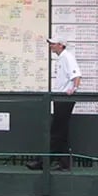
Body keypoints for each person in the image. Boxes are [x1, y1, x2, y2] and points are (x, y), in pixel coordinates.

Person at [27, 36, 82, 171]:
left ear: (60, 45)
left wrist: (73, 89)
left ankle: (43, 161)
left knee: (57, 130)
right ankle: (64, 162)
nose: (51, 46)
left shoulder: (67, 57)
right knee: (61, 130)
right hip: (60, 98)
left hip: (64, 98)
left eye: (53, 44)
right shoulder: (62, 58)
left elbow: (77, 75)